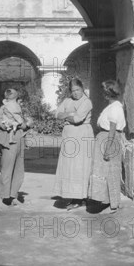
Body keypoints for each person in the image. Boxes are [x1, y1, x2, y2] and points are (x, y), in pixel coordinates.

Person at [53, 78, 94, 210]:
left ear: (82, 89)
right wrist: (69, 114)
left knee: (79, 166)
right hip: (68, 138)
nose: (75, 93)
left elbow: (77, 119)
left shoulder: (86, 102)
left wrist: (66, 115)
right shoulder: (67, 101)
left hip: (82, 136)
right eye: (73, 90)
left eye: (78, 90)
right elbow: (57, 115)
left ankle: (80, 198)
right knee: (68, 167)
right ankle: (71, 195)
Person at [88, 79, 126, 213]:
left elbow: (113, 128)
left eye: (104, 92)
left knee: (111, 171)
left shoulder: (115, 107)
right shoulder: (112, 106)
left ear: (108, 94)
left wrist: (108, 148)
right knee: (106, 171)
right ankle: (107, 200)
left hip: (109, 139)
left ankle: (114, 203)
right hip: (104, 138)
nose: (103, 95)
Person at [0, 87, 32, 209]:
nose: (9, 94)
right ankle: (2, 197)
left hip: (19, 139)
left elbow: (25, 124)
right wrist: (10, 124)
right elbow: (2, 124)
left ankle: (13, 196)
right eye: (8, 92)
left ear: (16, 96)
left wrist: (26, 124)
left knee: (19, 170)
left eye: (12, 93)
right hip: (9, 140)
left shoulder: (19, 107)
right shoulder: (3, 108)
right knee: (7, 169)